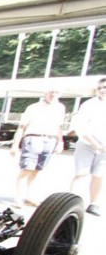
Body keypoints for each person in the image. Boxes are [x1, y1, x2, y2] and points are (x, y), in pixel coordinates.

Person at [10, 89, 65, 207]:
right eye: (51, 91)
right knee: (26, 169)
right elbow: (22, 127)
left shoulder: (60, 108)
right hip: (33, 138)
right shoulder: (33, 107)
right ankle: (18, 197)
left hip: (50, 140)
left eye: (56, 92)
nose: (53, 94)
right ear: (46, 92)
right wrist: (15, 145)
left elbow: (59, 127)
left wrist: (60, 142)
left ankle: (29, 196)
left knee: (36, 170)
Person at [70, 77, 106, 216]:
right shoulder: (89, 105)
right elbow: (81, 126)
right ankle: (70, 204)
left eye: (105, 87)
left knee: (99, 175)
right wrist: (95, 143)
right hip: (86, 144)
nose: (102, 90)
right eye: (99, 88)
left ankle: (94, 203)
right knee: (81, 174)